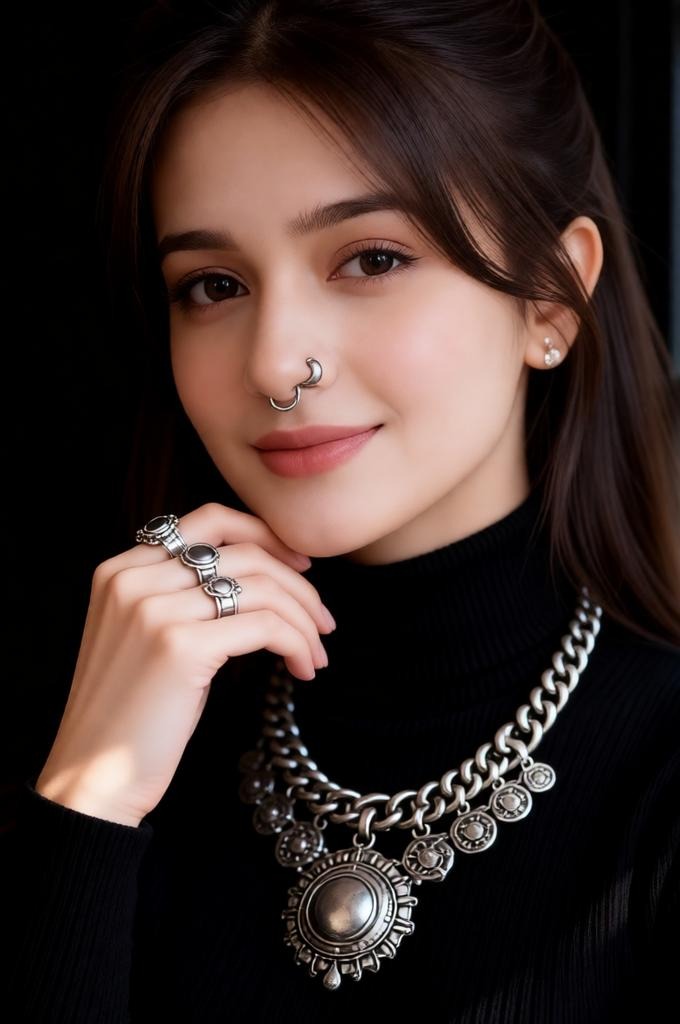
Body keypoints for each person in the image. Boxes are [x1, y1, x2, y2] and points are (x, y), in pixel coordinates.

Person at [4, 0, 679, 1020]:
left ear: (548, 296)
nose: (276, 364)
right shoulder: (122, 725)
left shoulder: (658, 773)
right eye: (213, 284)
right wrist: (90, 801)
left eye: (371, 259)